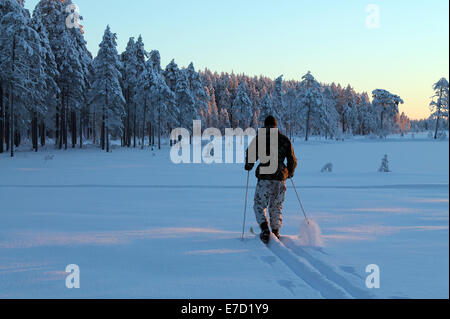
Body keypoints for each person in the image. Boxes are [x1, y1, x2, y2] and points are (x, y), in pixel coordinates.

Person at [245, 115, 298, 244]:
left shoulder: (259, 139)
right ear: (276, 126)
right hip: (280, 179)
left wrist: (249, 165)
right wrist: (290, 172)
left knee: (259, 204)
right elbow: (292, 159)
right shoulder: (284, 139)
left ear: (265, 125)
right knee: (276, 206)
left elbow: (250, 155)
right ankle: (275, 232)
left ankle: (264, 229)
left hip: (264, 178)